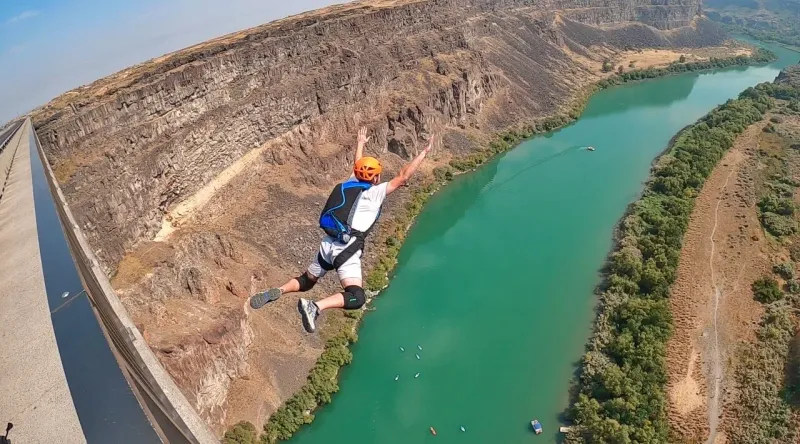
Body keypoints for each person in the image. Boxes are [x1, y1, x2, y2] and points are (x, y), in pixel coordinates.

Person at [249, 127, 436, 333]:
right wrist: (424, 153)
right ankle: (315, 306)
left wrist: (360, 144)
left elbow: (359, 165)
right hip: (347, 249)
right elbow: (403, 176)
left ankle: (279, 290)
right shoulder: (374, 193)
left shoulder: (351, 183)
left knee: (307, 280)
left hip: (328, 243)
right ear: (375, 178)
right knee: (356, 296)